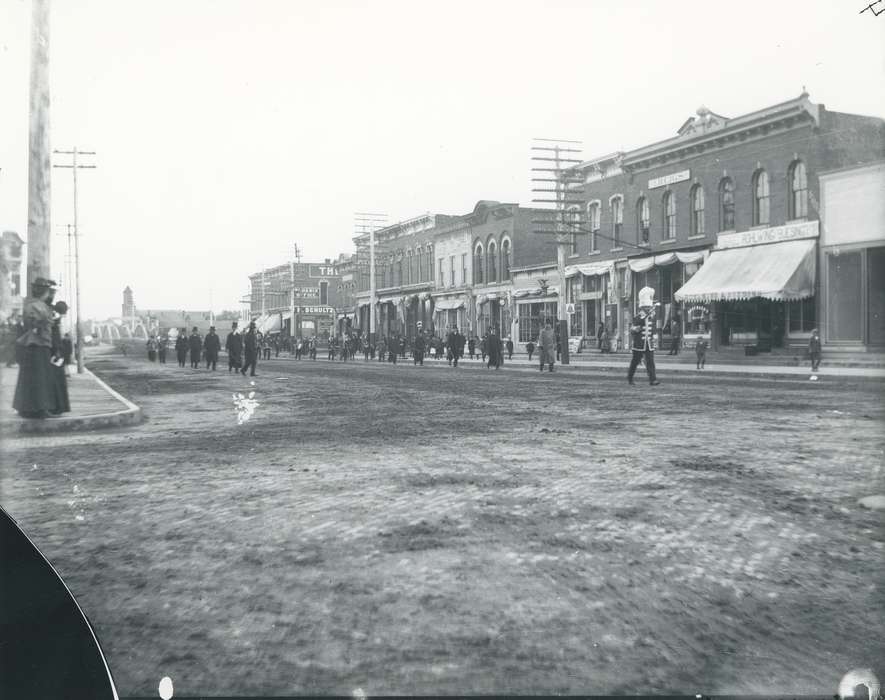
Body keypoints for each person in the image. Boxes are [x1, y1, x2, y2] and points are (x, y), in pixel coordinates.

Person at [12, 278, 58, 418]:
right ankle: (41, 408)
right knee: (41, 377)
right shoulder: (39, 306)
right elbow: (38, 324)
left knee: (28, 377)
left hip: (31, 344)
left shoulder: (30, 305)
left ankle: (25, 408)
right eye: (48, 291)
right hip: (39, 344)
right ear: (44, 292)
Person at [628, 286, 660, 386]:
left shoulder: (651, 317)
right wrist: (637, 328)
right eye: (646, 307)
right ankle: (630, 377)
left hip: (648, 344)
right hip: (639, 344)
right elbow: (637, 325)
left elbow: (653, 328)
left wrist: (655, 338)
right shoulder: (638, 317)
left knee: (650, 361)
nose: (648, 309)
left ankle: (652, 379)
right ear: (642, 307)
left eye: (649, 307)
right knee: (635, 361)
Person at [49, 300, 71, 415]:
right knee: (57, 381)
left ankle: (57, 407)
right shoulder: (56, 320)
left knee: (56, 380)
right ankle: (57, 407)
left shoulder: (55, 318)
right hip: (56, 353)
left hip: (55, 352)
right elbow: (56, 337)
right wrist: (58, 352)